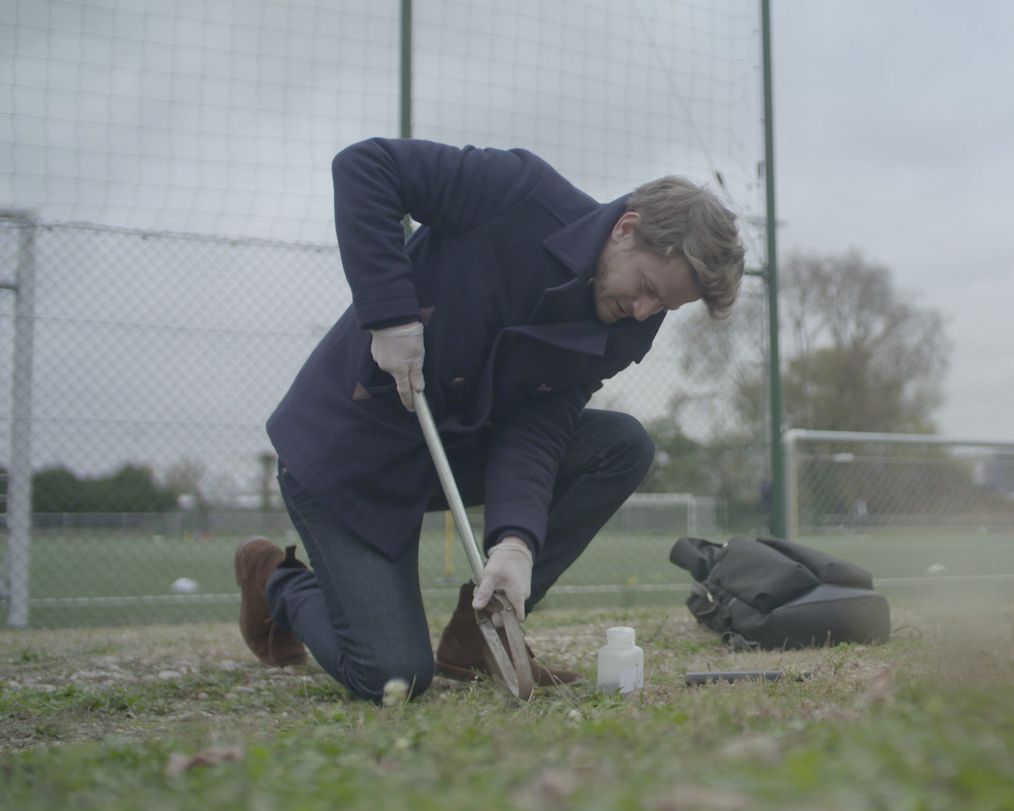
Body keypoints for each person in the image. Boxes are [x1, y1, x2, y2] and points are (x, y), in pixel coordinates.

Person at [232, 138, 745, 704]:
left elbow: (538, 426)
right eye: (647, 288)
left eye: (664, 307)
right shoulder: (517, 192)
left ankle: (483, 627)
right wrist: (389, 314)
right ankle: (275, 580)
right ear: (625, 228)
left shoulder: (626, 324)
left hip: (452, 452)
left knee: (621, 445)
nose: (645, 313)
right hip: (349, 457)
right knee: (391, 677)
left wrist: (516, 543)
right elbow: (366, 166)